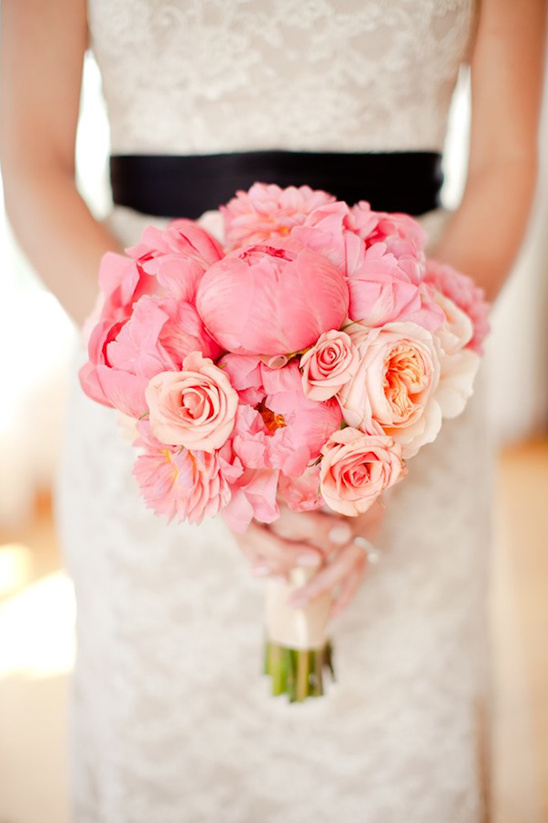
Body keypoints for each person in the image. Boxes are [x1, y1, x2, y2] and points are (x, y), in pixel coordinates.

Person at [1, 1, 545, 821]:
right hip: (159, 395)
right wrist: (178, 401)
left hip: (412, 363)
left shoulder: (406, 390)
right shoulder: (167, 400)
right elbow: (32, 162)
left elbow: (506, 159)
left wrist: (386, 414)